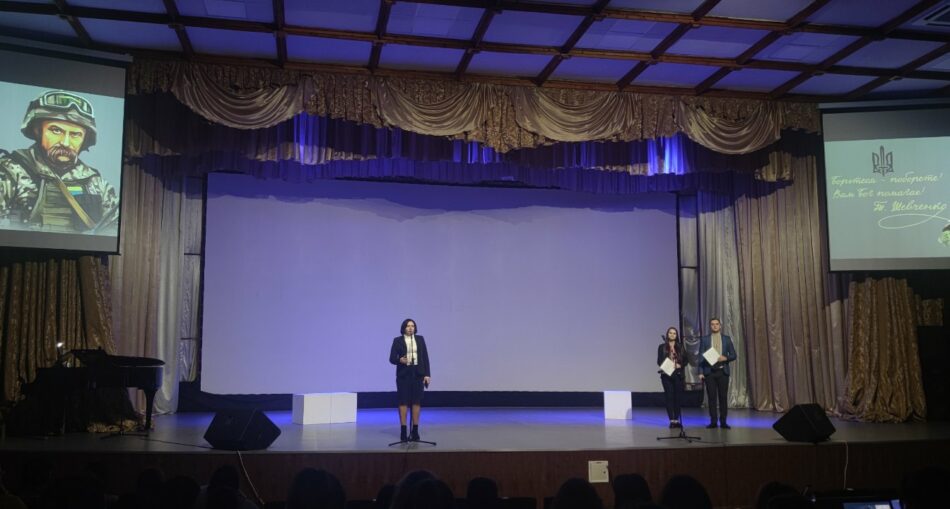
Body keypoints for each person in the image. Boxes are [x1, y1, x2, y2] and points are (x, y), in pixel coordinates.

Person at [0, 90, 118, 234]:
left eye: (75, 134)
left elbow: (113, 229)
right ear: (38, 131)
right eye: (56, 130)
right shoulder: (10, 171)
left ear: (85, 139)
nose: (66, 143)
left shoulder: (96, 184)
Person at [389, 318, 431, 442]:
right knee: (403, 402)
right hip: (403, 375)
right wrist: (400, 360)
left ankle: (415, 431)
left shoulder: (420, 339)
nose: (410, 328)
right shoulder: (397, 340)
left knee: (416, 402)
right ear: (404, 328)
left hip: (418, 374)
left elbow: (425, 357)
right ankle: (403, 431)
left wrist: (427, 374)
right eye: (408, 326)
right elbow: (391, 358)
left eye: (412, 326)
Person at [698, 318, 737, 429]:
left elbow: (734, 355)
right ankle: (713, 421)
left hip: (722, 371)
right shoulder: (705, 339)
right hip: (709, 372)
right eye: (712, 324)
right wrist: (700, 372)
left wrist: (726, 358)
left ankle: (723, 421)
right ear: (710, 326)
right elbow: (700, 356)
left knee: (723, 397)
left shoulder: (726, 339)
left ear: (720, 326)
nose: (714, 326)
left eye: (716, 324)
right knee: (711, 398)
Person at [657, 326, 686, 429]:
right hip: (666, 375)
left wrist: (680, 365)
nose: (672, 335)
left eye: (674, 333)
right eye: (670, 333)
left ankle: (677, 419)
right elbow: (659, 361)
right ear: (667, 334)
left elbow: (686, 360)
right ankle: (671, 420)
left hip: (678, 375)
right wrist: (668, 365)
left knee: (677, 397)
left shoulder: (680, 346)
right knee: (669, 397)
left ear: (676, 335)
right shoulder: (662, 347)